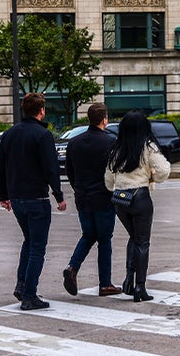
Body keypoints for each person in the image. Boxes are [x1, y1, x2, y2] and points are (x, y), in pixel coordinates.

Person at [0, 92, 67, 311]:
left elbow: (1, 166)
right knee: (37, 247)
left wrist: (3, 195)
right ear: (41, 110)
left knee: (28, 242)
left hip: (17, 198)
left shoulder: (9, 134)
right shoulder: (42, 135)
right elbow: (51, 168)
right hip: (37, 198)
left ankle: (21, 284)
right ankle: (29, 294)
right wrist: (59, 195)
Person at [104, 110, 170, 302]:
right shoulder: (148, 147)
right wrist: (152, 177)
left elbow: (108, 180)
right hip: (140, 196)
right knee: (142, 242)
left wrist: (116, 188)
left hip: (120, 198)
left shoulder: (117, 148)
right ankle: (140, 287)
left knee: (133, 238)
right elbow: (164, 170)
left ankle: (128, 281)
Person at [63, 103, 120, 297]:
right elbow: (115, 171)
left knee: (88, 235)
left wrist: (79, 189)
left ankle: (72, 267)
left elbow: (69, 172)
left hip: (83, 197)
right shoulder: (111, 142)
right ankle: (105, 283)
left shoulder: (74, 142)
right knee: (104, 239)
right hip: (104, 197)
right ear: (104, 119)